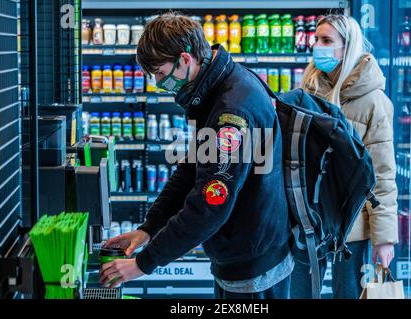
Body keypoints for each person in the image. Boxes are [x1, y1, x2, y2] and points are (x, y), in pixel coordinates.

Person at [99, 13, 293, 299]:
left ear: (186, 59)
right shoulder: (216, 87)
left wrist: (143, 263)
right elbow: (191, 169)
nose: (158, 83)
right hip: (239, 252)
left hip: (254, 269)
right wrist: (148, 229)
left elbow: (209, 205)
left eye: (162, 74)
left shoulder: (232, 112)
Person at [290, 14, 398, 299]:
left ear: (347, 47)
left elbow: (382, 175)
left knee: (348, 294)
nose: (318, 46)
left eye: (327, 40)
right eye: (316, 39)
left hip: (353, 225)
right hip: (309, 219)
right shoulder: (307, 93)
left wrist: (384, 239)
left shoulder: (374, 103)